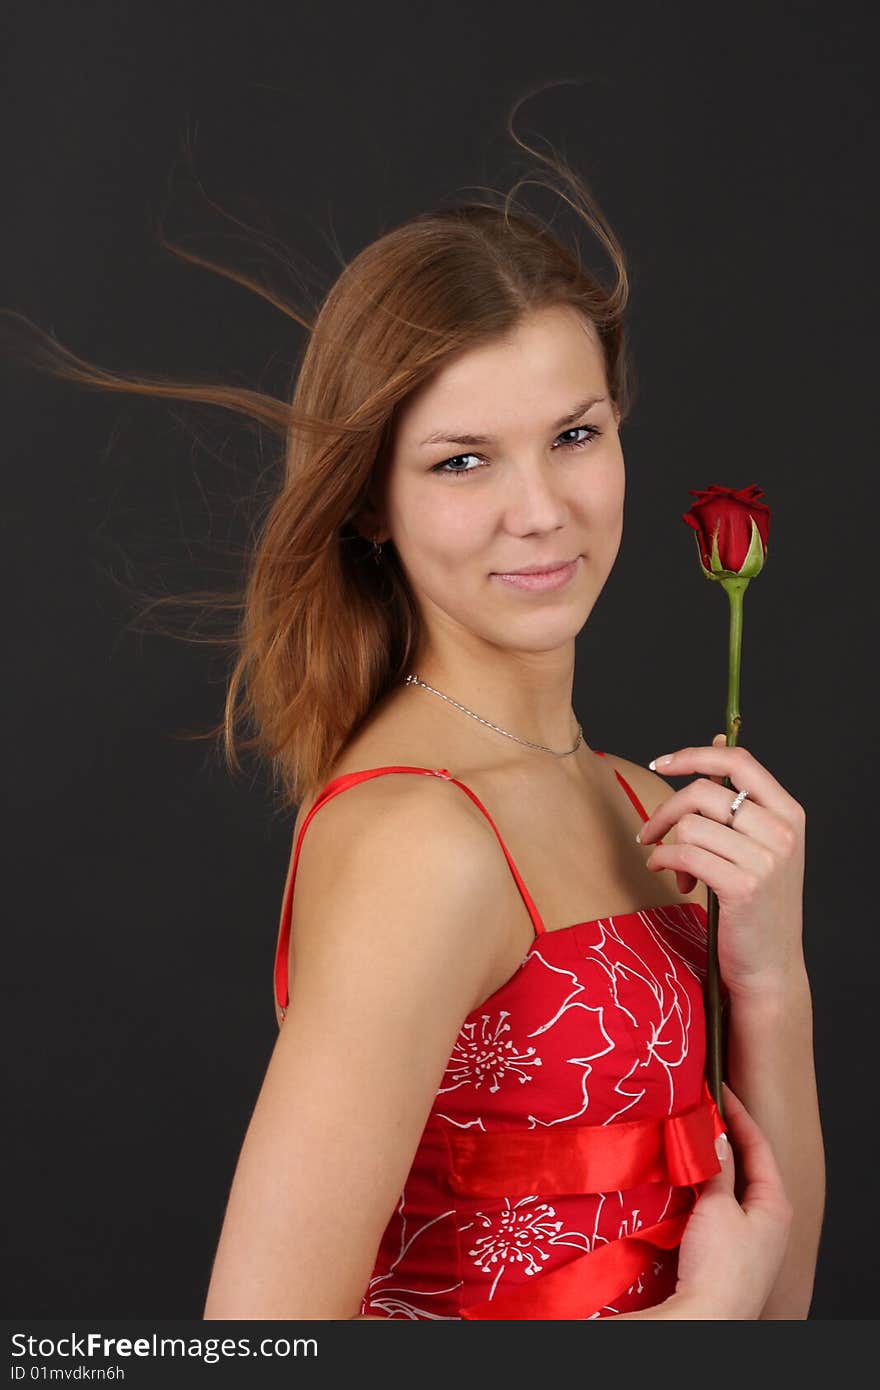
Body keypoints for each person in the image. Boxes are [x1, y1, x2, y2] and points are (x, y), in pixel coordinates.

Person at [6, 122, 823, 1319]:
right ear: (372, 505)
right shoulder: (419, 842)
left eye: (574, 435)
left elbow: (783, 1304)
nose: (539, 511)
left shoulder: (647, 807)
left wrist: (770, 976)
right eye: (460, 462)